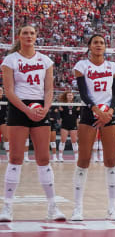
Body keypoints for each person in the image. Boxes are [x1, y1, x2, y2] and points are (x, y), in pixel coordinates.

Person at [0, 25, 64, 222]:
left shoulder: (45, 60)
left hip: (40, 108)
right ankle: (7, 207)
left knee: (44, 158)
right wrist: (26, 110)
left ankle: (52, 206)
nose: (28, 36)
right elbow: (9, 90)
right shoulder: (10, 60)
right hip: (19, 108)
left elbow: (49, 89)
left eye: (32, 33)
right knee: (16, 157)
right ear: (19, 37)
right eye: (25, 33)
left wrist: (45, 108)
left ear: (36, 37)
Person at [71, 34, 115, 221]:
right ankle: (77, 208)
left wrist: (109, 111)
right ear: (89, 46)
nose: (99, 45)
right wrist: (96, 110)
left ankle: (112, 208)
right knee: (83, 160)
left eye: (101, 43)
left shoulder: (113, 67)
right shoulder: (81, 66)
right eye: (95, 43)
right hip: (89, 113)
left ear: (105, 47)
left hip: (109, 113)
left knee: (110, 160)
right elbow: (83, 93)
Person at [57, 90, 80, 162]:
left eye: (71, 95)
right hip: (65, 124)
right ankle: (60, 156)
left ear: (73, 96)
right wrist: (59, 116)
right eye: (68, 95)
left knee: (74, 141)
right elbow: (59, 115)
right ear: (66, 96)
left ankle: (76, 157)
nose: (70, 96)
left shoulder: (76, 105)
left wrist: (78, 123)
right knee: (63, 140)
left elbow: (78, 115)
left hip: (73, 124)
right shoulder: (62, 104)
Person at [0, 86, 8, 160]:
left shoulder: (5, 99)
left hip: (2, 120)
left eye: (1, 91)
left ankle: (9, 156)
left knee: (6, 137)